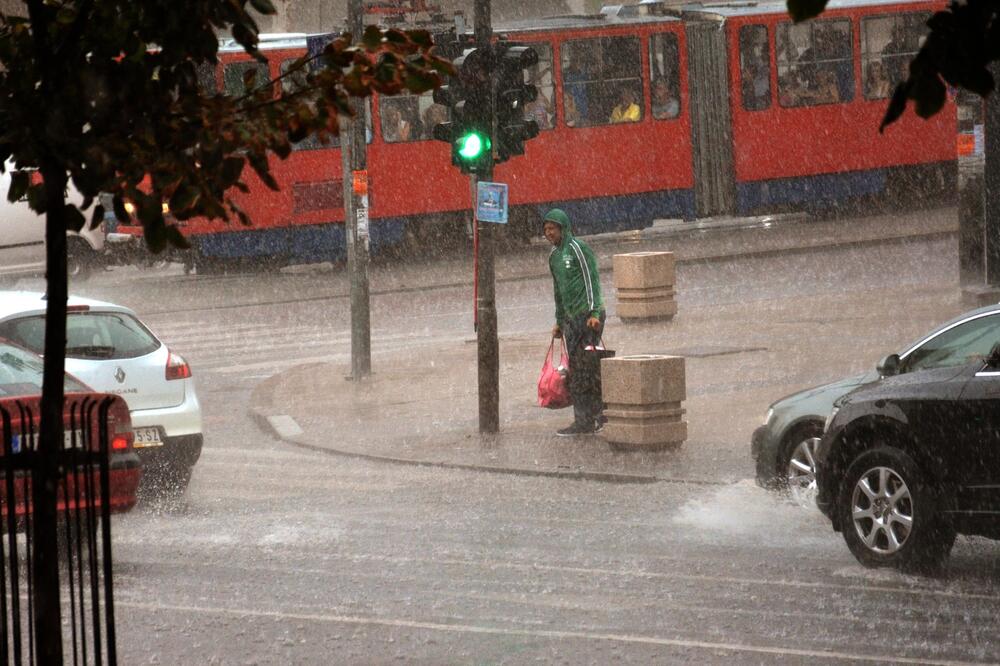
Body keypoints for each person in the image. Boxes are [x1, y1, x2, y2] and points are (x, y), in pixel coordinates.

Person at [543, 209, 606, 436]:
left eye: (553, 228)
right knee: (579, 370)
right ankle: (591, 417)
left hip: (588, 317)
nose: (549, 233)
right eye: (546, 229)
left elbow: (592, 281)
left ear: (563, 228)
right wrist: (559, 321)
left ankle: (589, 419)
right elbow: (558, 293)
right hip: (571, 320)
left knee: (585, 370)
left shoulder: (578, 249)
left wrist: (595, 313)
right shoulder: (553, 257)